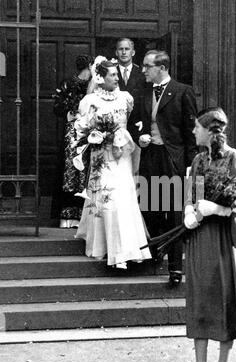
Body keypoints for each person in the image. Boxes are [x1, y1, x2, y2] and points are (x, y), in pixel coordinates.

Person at [180, 107, 236, 362]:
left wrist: (220, 209)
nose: (193, 132)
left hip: (226, 241)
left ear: (209, 130)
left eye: (196, 128)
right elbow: (193, 194)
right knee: (200, 299)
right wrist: (189, 211)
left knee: (225, 300)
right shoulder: (199, 159)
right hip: (201, 238)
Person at [74, 57, 151, 269]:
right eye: (113, 75)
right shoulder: (90, 102)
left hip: (122, 156)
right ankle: (105, 246)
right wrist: (97, 136)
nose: (117, 78)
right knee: (107, 197)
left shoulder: (126, 98)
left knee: (123, 197)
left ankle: (128, 247)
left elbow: (133, 126)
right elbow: (81, 129)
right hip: (102, 156)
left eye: (117, 74)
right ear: (100, 78)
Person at [131, 50, 198, 287]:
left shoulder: (182, 92)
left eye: (148, 66)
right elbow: (135, 124)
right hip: (151, 157)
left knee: (174, 213)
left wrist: (191, 165)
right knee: (150, 207)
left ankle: (175, 268)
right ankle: (155, 253)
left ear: (162, 67)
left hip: (173, 160)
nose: (144, 70)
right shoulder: (143, 93)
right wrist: (141, 137)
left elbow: (191, 133)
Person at [52, 54, 94, 228]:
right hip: (74, 130)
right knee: (71, 170)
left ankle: (84, 214)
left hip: (90, 130)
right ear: (89, 66)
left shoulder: (95, 84)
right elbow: (57, 105)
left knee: (86, 169)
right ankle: (68, 216)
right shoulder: (68, 83)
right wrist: (70, 114)